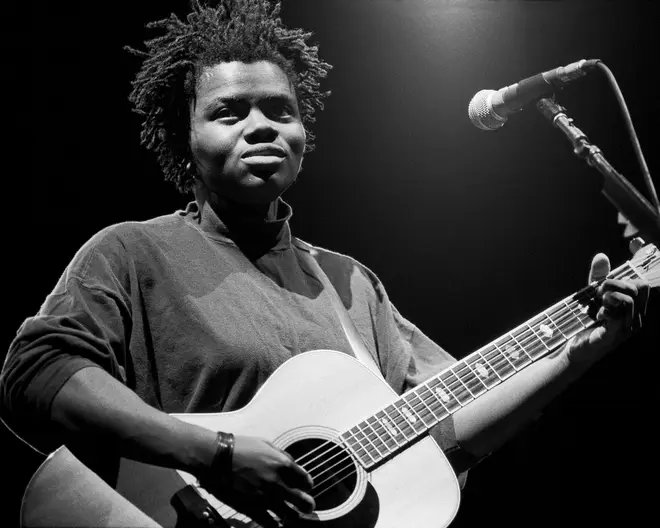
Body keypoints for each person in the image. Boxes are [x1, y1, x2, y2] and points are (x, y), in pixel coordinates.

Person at [0, 0, 653, 526]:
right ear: (184, 138)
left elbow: (451, 422)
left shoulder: (350, 284)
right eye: (229, 112)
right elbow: (37, 372)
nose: (261, 126)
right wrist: (215, 456)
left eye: (280, 111)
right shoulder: (131, 251)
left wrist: (589, 344)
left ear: (303, 136)